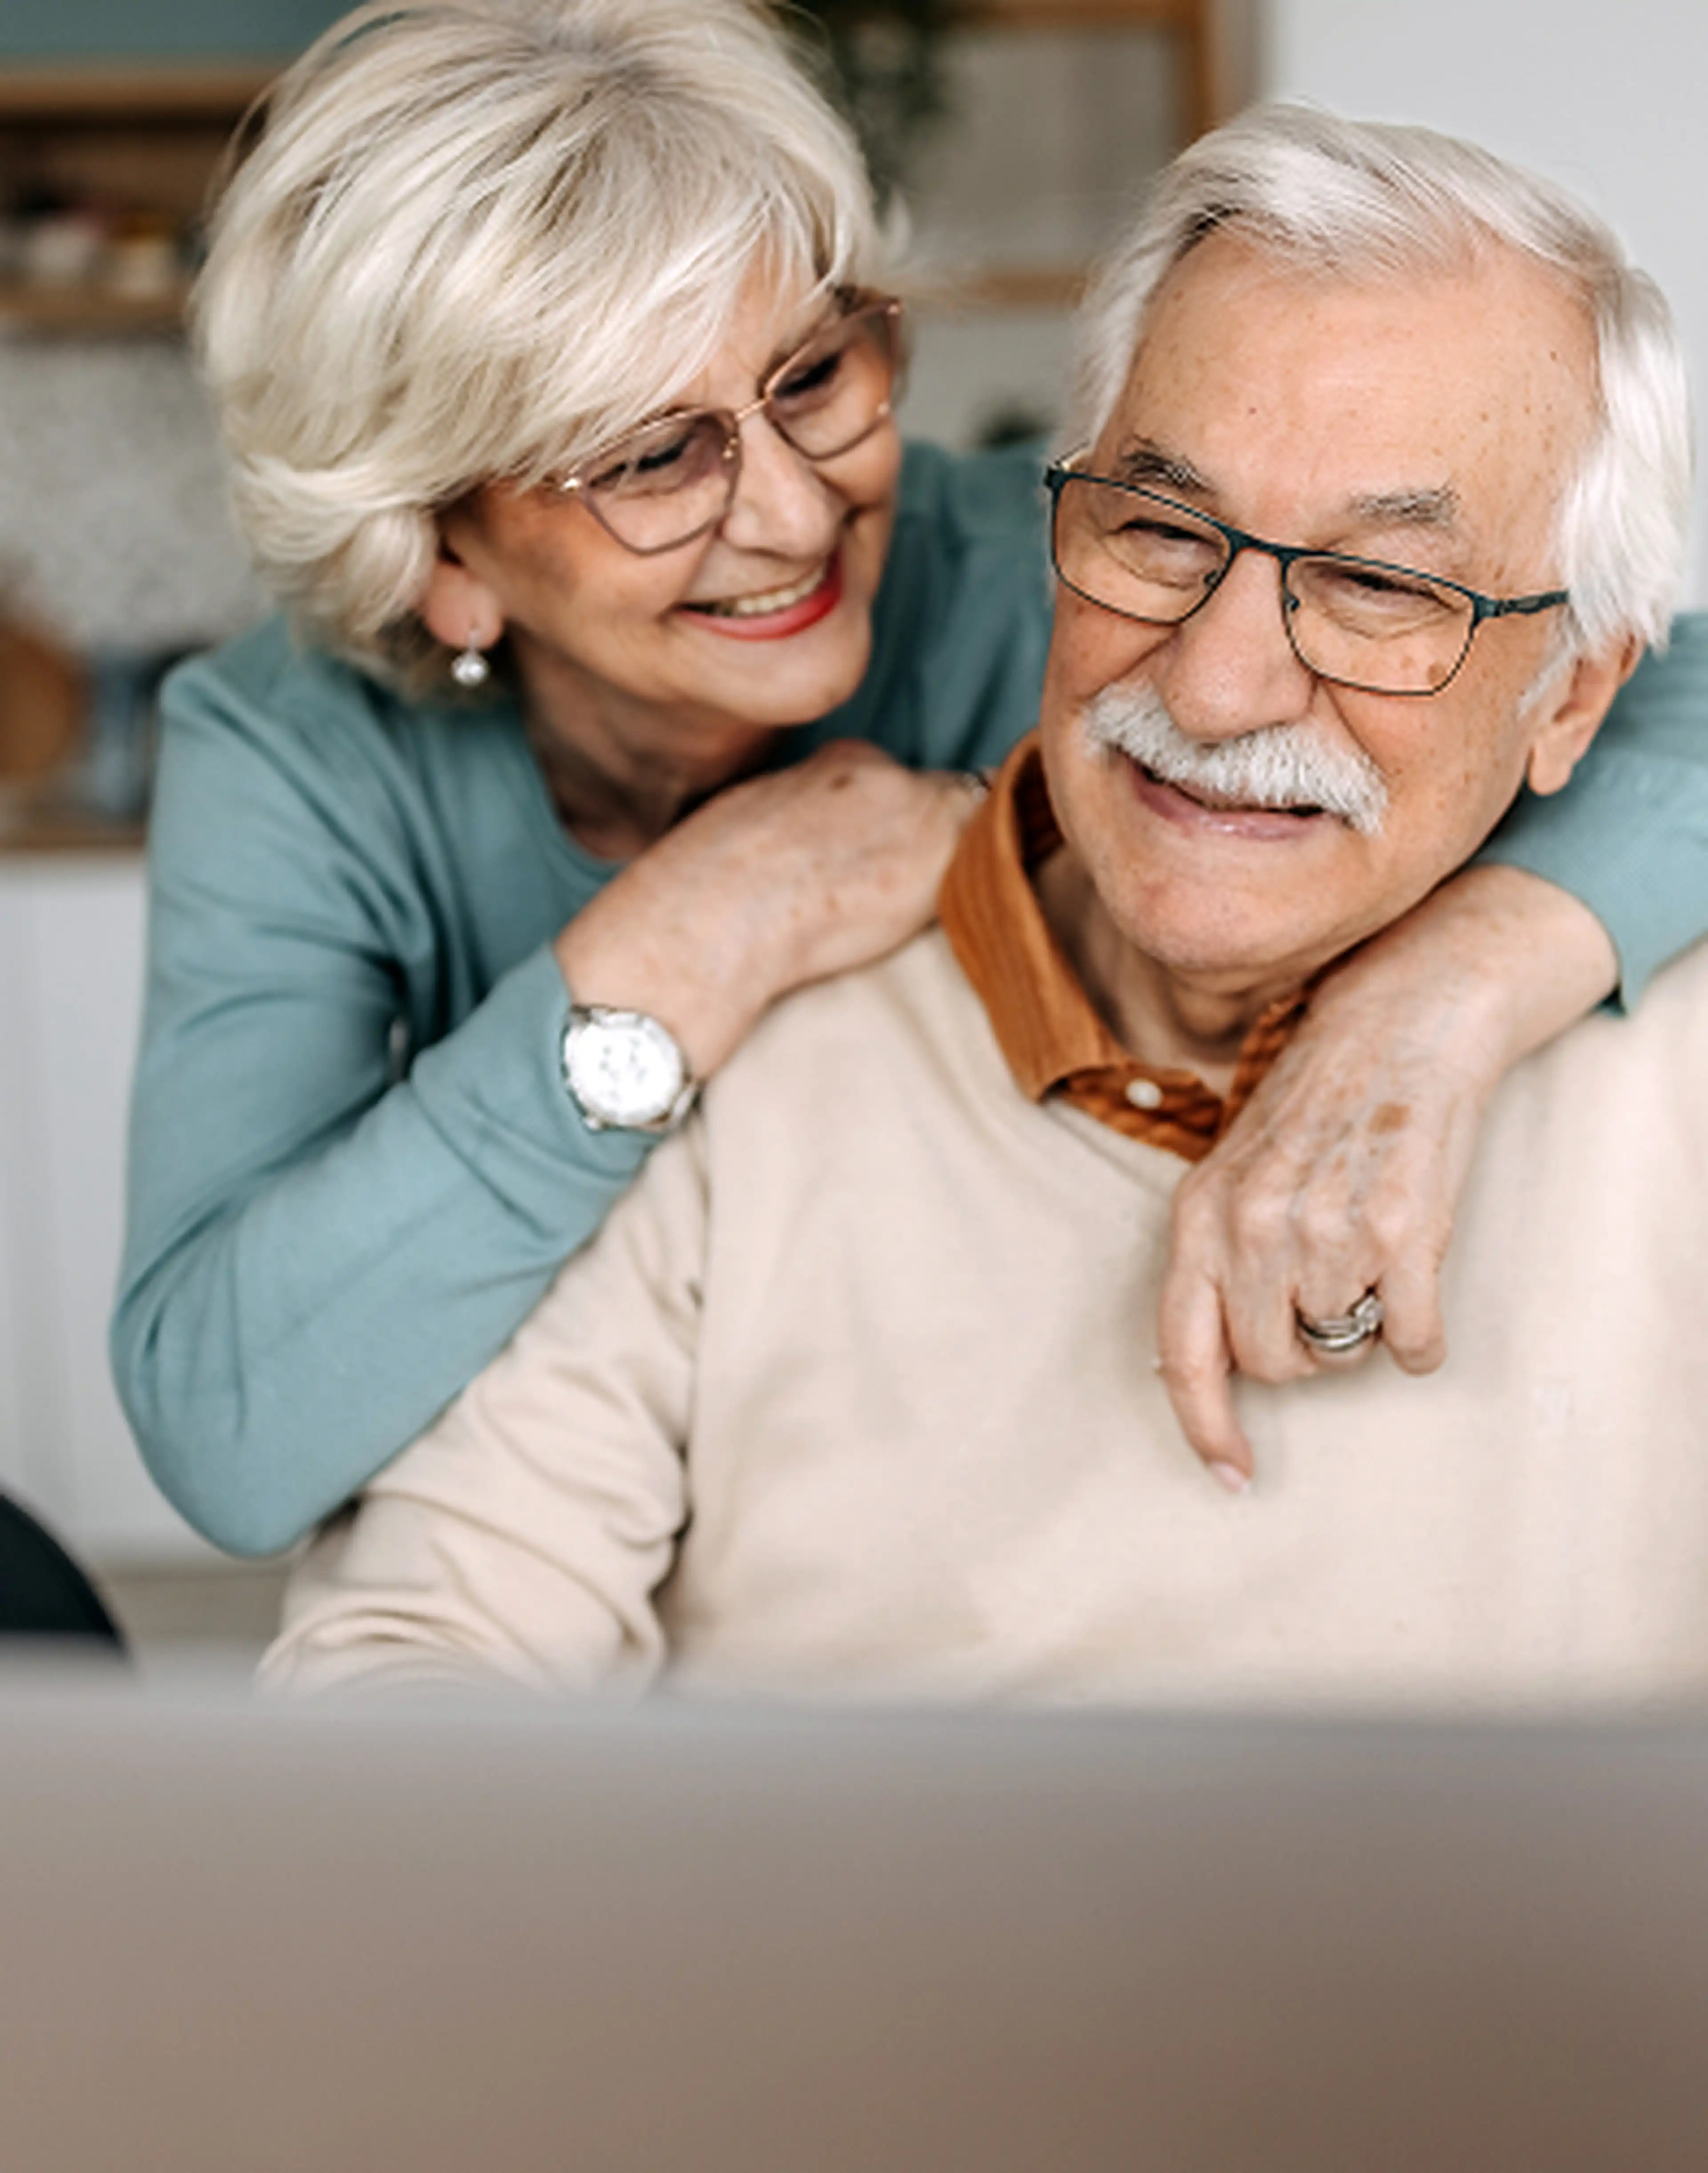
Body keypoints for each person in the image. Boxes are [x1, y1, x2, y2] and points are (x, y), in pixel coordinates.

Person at [117, 0, 1708, 1559]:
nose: (803, 521)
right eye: (655, 456)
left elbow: (1612, 665)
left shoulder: (1086, 574)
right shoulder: (295, 753)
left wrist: (1445, 989)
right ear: (442, 554)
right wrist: (689, 942)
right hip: (579, 1502)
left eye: (810, 377)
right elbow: (228, 1423)